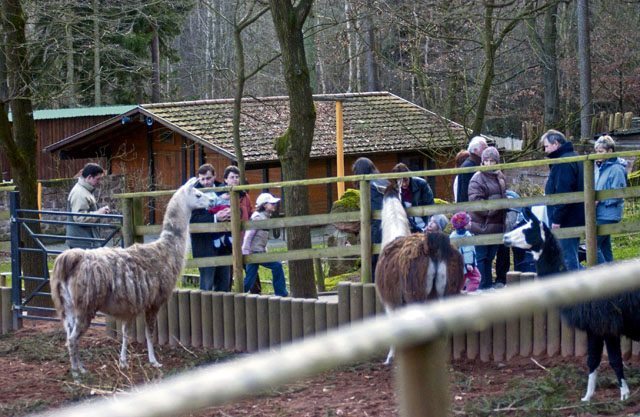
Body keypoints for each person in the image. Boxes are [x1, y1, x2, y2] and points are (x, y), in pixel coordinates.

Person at [541, 129, 584, 271]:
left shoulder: (563, 162)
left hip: (567, 218)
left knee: (567, 255)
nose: (545, 150)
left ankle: (574, 289)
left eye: (546, 146)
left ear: (556, 144)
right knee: (571, 253)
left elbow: (563, 193)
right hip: (575, 215)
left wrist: (557, 219)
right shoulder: (574, 157)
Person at [468, 146, 507, 290]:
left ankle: (488, 287)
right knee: (481, 258)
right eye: (486, 161)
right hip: (482, 225)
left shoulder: (500, 176)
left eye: (492, 161)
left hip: (497, 225)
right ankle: (482, 287)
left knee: (490, 257)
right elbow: (476, 204)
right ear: (482, 162)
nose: (489, 164)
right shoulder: (477, 179)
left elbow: (504, 197)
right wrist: (495, 209)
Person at [189, 163, 232, 292]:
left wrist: (231, 213)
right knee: (207, 286)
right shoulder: (193, 193)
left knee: (225, 284)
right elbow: (193, 219)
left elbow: (240, 209)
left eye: (208, 178)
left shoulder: (224, 189)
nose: (205, 182)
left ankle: (224, 311)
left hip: (224, 245)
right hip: (205, 245)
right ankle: (204, 312)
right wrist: (215, 217)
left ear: (214, 176)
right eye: (202, 179)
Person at [222, 165, 261, 293]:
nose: (234, 180)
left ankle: (256, 294)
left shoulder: (245, 196)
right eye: (232, 177)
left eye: (237, 177)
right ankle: (227, 297)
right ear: (225, 180)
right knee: (228, 271)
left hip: (244, 239)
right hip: (227, 240)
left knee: (250, 268)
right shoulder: (221, 197)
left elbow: (250, 214)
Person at [242, 193, 288, 296]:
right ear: (264, 205)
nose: (274, 205)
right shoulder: (258, 218)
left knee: (250, 277)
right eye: (271, 203)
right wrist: (245, 251)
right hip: (254, 252)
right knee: (277, 266)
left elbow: (261, 237)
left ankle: (238, 293)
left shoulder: (265, 217)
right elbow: (249, 235)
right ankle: (281, 293)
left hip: (258, 251)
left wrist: (264, 248)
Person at [352, 157, 388, 280]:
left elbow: (373, 211)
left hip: (377, 228)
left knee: (373, 261)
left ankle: (374, 291)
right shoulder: (383, 181)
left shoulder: (369, 185)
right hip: (389, 224)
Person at [593, 135, 627, 264]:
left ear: (610, 151)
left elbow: (618, 194)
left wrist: (599, 200)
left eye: (600, 151)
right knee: (604, 245)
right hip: (600, 212)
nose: (597, 154)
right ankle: (613, 273)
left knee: (593, 245)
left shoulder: (616, 169)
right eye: (596, 151)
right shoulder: (599, 168)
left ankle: (604, 274)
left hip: (608, 214)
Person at [66, 162, 111, 249]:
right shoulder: (79, 193)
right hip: (82, 242)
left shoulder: (85, 190)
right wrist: (99, 213)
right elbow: (79, 218)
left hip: (84, 240)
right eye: (98, 179)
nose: (99, 182)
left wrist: (99, 211)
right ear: (89, 177)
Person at [390, 162, 434, 232]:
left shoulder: (421, 184)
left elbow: (430, 205)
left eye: (406, 180)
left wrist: (428, 225)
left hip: (425, 222)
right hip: (408, 225)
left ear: (409, 176)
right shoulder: (395, 191)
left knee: (440, 218)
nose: (404, 184)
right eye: (400, 181)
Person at [450, 211, 480, 292]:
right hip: (467, 264)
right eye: (469, 221)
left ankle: (458, 295)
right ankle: (469, 294)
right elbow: (467, 251)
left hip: (461, 264)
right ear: (464, 225)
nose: (471, 223)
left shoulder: (453, 235)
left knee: (461, 281)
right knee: (476, 278)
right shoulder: (465, 236)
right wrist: (468, 264)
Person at [456, 136, 488, 203]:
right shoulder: (469, 167)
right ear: (476, 150)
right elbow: (465, 193)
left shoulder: (475, 164)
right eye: (484, 148)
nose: (487, 151)